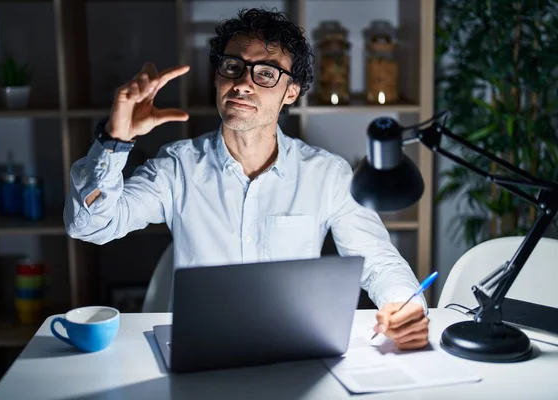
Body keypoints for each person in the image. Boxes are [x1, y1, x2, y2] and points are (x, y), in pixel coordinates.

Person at [64, 8, 429, 350]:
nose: (243, 84)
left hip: (293, 346)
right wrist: (114, 141)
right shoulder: (178, 167)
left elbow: (379, 261)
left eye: (266, 73)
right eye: (233, 67)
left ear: (291, 92)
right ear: (217, 76)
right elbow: (90, 226)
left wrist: (405, 306)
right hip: (201, 350)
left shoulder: (327, 174)